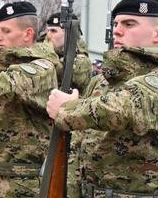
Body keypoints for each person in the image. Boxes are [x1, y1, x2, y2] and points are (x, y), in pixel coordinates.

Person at [46, 0, 158, 197]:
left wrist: (67, 108)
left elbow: (123, 108)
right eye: (116, 24)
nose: (117, 31)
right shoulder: (102, 82)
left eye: (129, 24)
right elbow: (79, 150)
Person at [0, 1, 61, 197]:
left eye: (6, 31)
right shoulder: (0, 66)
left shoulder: (43, 67)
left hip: (23, 185)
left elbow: (11, 82)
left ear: (28, 34)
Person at [45, 12, 92, 197]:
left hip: (73, 139)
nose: (48, 36)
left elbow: (57, 72)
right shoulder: (52, 56)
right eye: (47, 31)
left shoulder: (81, 61)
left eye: (54, 31)